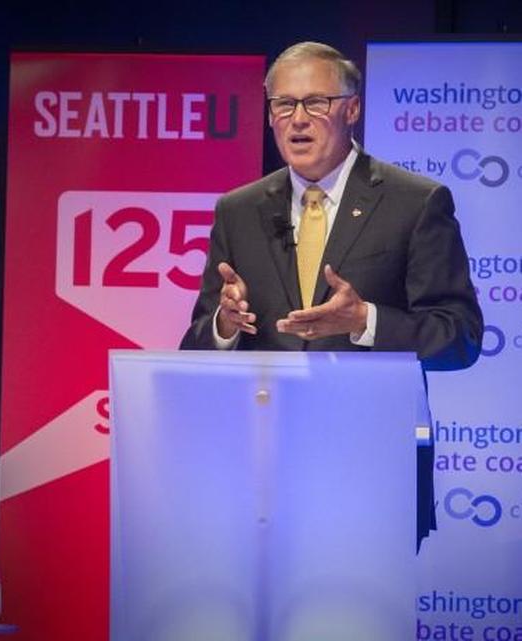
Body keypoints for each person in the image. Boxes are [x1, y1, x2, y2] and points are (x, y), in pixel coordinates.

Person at [180, 42, 483, 550]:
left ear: (353, 109)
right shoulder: (239, 210)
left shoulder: (416, 203)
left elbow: (459, 338)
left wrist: (364, 319)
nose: (298, 119)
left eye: (316, 103)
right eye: (283, 104)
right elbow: (197, 344)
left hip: (370, 477)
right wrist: (224, 327)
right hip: (257, 481)